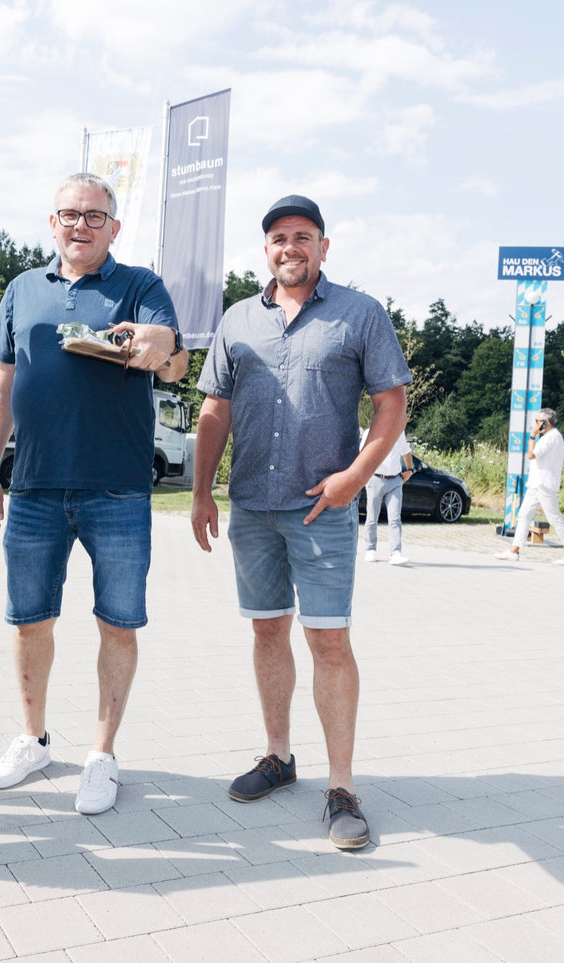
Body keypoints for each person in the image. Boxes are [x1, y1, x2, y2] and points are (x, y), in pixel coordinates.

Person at [190, 194, 411, 850]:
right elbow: (215, 410)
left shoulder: (360, 314)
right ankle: (279, 756)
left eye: (303, 236)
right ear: (266, 250)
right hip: (252, 506)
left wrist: (355, 477)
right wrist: (201, 491)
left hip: (322, 507)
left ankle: (341, 786)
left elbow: (391, 403)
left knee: (329, 643)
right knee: (266, 631)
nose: (291, 247)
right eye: (279, 238)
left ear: (323, 246)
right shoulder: (237, 319)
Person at [0, 172, 188, 815]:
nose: (81, 225)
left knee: (117, 624)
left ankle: (102, 754)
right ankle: (33, 739)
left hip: (117, 489)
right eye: (70, 214)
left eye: (95, 216)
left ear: (114, 228)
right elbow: (2, 381)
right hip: (34, 484)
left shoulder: (141, 286)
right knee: (28, 619)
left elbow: (172, 355)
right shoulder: (22, 288)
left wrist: (156, 344)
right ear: (53, 222)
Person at [496, 407, 564, 564]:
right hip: (536, 483)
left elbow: (532, 454)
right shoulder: (551, 436)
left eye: (537, 421)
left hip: (544, 485)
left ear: (545, 423)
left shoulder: (551, 437)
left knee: (555, 519)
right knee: (524, 516)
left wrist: (532, 436)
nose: (535, 424)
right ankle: (514, 551)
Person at [362, 429, 414, 566]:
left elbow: (406, 452)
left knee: (395, 519)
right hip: (375, 479)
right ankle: (370, 549)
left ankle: (395, 553)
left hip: (395, 481)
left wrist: (410, 470)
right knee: (372, 517)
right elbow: (361, 455)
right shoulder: (369, 432)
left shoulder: (399, 432)